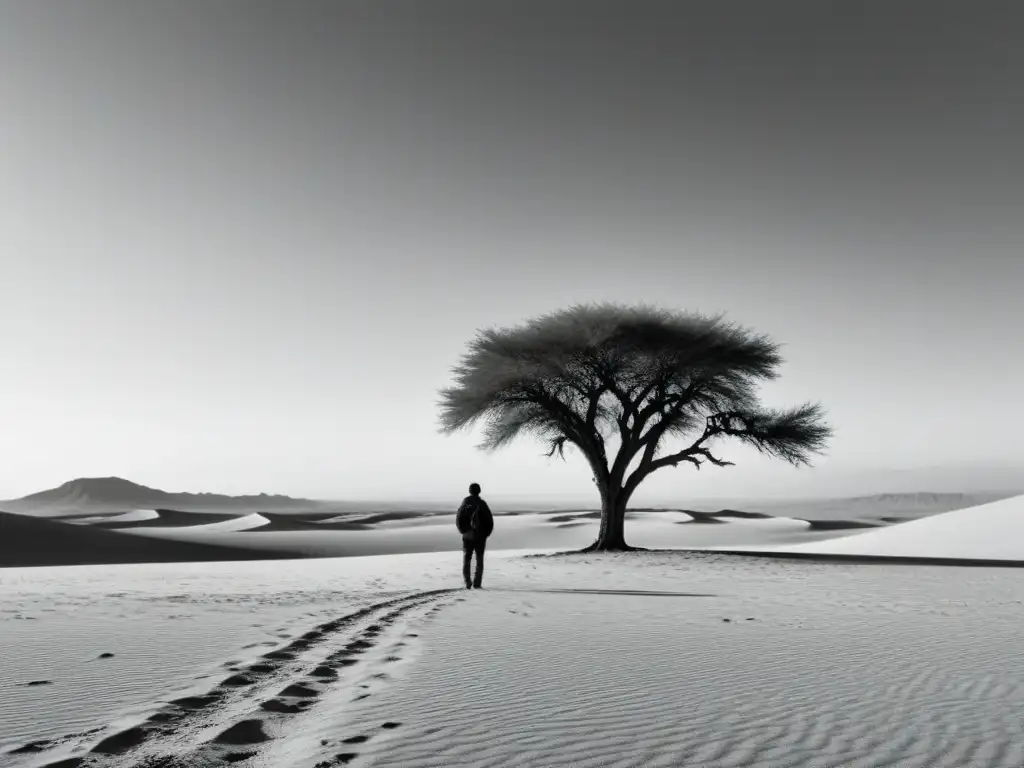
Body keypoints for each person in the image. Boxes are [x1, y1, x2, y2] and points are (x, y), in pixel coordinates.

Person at [456, 482, 494, 589]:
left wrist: (464, 531)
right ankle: (477, 584)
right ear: (479, 491)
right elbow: (489, 521)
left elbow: (458, 520)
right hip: (480, 537)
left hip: (467, 536)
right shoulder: (482, 504)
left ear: (470, 491)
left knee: (467, 559)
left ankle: (468, 582)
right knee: (479, 560)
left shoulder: (464, 504)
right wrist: (485, 534)